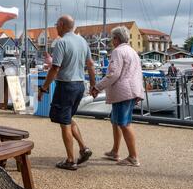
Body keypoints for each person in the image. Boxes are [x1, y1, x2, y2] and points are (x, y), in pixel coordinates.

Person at [38, 15, 96, 171]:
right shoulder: (83, 41)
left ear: (62, 25)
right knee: (68, 118)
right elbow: (90, 65)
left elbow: (55, 68)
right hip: (79, 85)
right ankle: (84, 148)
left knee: (64, 123)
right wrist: (93, 85)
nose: (56, 27)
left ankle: (70, 161)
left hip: (66, 86)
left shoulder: (61, 42)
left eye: (57, 24)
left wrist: (43, 88)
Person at [91, 26, 144, 167]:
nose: (111, 41)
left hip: (123, 92)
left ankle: (133, 157)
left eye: (112, 38)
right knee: (115, 121)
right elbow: (138, 73)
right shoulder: (133, 52)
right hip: (131, 90)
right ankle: (115, 151)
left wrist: (97, 87)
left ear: (116, 39)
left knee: (124, 123)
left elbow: (113, 74)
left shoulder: (117, 52)